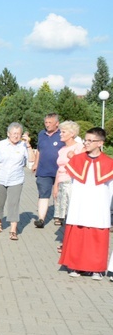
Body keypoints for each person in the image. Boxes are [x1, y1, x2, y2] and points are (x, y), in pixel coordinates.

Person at [59, 128, 113, 280]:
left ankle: (96, 268)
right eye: (86, 140)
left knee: (97, 235)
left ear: (100, 143)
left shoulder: (109, 163)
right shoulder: (77, 160)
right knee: (78, 232)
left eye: (91, 140)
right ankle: (75, 265)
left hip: (99, 204)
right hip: (80, 203)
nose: (86, 143)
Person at [0, 123, 32, 241]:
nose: (16, 136)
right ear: (8, 134)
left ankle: (13, 229)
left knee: (14, 203)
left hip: (16, 179)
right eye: (14, 133)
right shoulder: (1, 145)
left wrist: (28, 145)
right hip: (0, 179)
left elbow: (31, 160)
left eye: (18, 133)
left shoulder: (23, 146)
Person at [52, 121, 84, 237]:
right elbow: (59, 168)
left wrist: (74, 157)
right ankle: (66, 239)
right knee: (63, 214)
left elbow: (83, 166)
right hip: (61, 182)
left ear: (72, 133)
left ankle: (73, 239)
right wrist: (55, 185)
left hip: (72, 183)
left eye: (63, 132)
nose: (60, 134)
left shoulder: (80, 148)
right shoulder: (62, 149)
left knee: (72, 213)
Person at [32, 113, 64, 228]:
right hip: (43, 170)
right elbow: (39, 150)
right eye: (46, 122)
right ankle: (40, 219)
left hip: (59, 171)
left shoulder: (62, 134)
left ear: (57, 123)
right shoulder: (42, 134)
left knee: (58, 195)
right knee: (43, 194)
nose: (47, 125)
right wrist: (35, 163)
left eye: (50, 123)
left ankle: (58, 217)